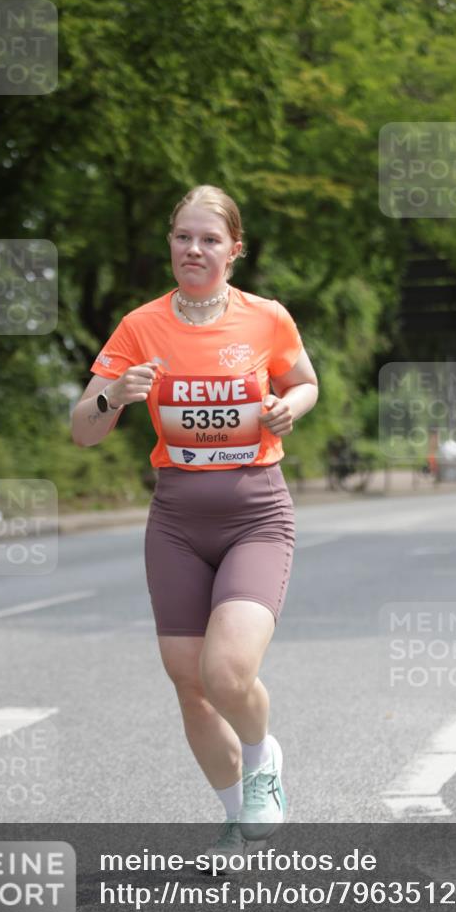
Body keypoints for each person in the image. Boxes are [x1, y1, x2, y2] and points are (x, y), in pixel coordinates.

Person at [71, 185, 318, 861]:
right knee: (189, 683)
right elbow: (83, 431)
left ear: (233, 250)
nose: (194, 249)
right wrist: (111, 396)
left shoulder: (265, 319)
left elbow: (304, 380)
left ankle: (264, 758)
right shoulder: (140, 326)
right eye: (183, 236)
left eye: (209, 239)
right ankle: (238, 824)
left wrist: (290, 407)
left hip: (254, 512)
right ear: (170, 244)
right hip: (176, 519)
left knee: (226, 670)